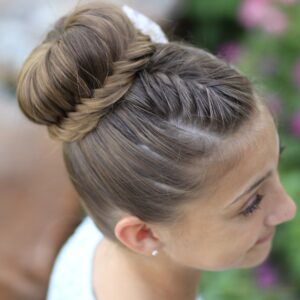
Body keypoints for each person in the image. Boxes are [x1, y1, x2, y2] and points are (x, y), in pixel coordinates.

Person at [16, 1, 297, 300]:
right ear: (144, 235)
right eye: (251, 204)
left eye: (275, 164)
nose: (288, 208)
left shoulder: (117, 209)